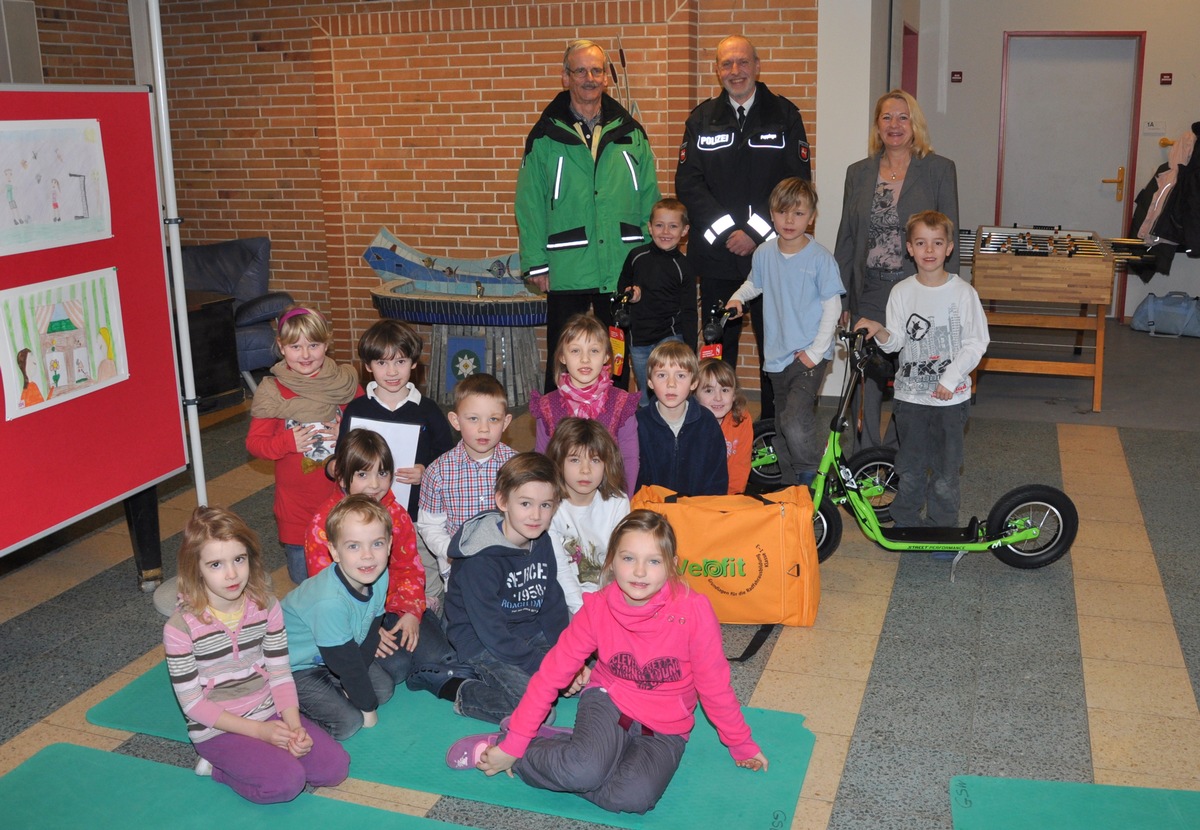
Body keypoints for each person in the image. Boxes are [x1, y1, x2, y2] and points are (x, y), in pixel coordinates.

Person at [454, 510, 767, 815]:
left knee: (634, 798)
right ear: (612, 561)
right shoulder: (598, 609)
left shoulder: (694, 611)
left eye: (653, 561)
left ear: (672, 567)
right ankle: (520, 749)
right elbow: (550, 676)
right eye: (628, 558)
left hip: (664, 726)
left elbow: (714, 687)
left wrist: (741, 744)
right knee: (583, 771)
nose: (640, 572)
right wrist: (513, 747)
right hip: (609, 703)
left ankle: (572, 752)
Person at [163, 506, 348, 803]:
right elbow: (193, 705)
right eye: (215, 565)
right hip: (217, 729)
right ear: (195, 568)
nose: (232, 574)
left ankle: (267, 752)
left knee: (334, 770)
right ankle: (217, 768)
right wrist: (260, 732)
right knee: (287, 784)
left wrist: (293, 725)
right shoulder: (180, 628)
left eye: (239, 559)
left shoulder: (266, 606)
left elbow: (279, 672)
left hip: (268, 712)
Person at [676, 35, 812, 421]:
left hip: (772, 257)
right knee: (718, 348)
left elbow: (796, 184)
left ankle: (770, 430)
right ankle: (715, 426)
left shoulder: (784, 115)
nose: (735, 71)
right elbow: (688, 183)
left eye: (742, 63)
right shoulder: (701, 119)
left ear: (757, 65)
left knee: (775, 347)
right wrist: (727, 232)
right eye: (726, 64)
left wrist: (753, 232)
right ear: (717, 70)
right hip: (717, 259)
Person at [515, 39, 661, 393]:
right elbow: (530, 202)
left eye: (596, 70)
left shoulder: (631, 133)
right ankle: (559, 431)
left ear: (606, 79)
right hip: (568, 265)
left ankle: (611, 427)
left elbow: (650, 198)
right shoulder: (546, 136)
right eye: (580, 70)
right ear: (565, 78)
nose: (589, 78)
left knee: (615, 352)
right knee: (564, 354)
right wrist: (536, 262)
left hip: (620, 261)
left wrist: (647, 258)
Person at [834, 89, 959, 453]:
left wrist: (950, 296)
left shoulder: (939, 170)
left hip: (918, 288)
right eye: (887, 117)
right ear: (877, 125)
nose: (895, 125)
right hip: (870, 288)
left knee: (913, 372)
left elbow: (948, 234)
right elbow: (847, 237)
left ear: (915, 124)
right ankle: (866, 454)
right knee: (866, 374)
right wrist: (842, 295)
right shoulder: (857, 173)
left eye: (903, 117)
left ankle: (897, 451)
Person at [854, 211, 989, 536]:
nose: (929, 250)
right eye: (921, 243)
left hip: (950, 401)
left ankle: (941, 530)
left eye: (937, 243)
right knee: (910, 468)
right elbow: (896, 341)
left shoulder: (963, 293)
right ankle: (906, 525)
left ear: (949, 248)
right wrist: (880, 331)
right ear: (909, 249)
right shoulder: (901, 292)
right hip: (910, 398)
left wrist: (949, 379)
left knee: (944, 472)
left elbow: (977, 342)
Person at [304, 429, 462, 687]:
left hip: (394, 605)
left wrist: (411, 611)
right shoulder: (323, 523)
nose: (375, 484)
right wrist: (366, 629)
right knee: (397, 668)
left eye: (382, 473)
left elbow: (409, 567)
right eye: (363, 474)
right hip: (352, 614)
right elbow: (325, 591)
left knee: (441, 656)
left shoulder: (395, 514)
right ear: (342, 477)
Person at [428, 453, 574, 724]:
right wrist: (545, 667)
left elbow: (552, 601)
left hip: (526, 630)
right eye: (525, 504)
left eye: (545, 505)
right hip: (482, 642)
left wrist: (566, 656)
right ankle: (458, 688)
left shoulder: (540, 540)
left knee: (585, 674)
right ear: (502, 501)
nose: (536, 515)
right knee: (542, 714)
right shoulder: (480, 559)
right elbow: (492, 634)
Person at [726, 177, 843, 487]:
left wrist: (816, 352)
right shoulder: (763, 253)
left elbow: (832, 307)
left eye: (799, 213)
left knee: (794, 419)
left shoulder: (821, 259)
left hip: (809, 356)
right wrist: (738, 297)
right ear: (772, 214)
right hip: (777, 356)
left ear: (812, 217)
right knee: (782, 425)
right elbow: (756, 283)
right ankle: (791, 486)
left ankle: (812, 476)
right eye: (782, 212)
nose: (790, 220)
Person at [339, 318, 455, 614]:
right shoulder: (357, 409)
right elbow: (344, 458)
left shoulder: (427, 411)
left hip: (414, 514)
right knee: (368, 571)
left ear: (414, 363)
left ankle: (431, 624)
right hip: (365, 515)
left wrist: (426, 471)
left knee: (425, 575)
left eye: (400, 361)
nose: (392, 372)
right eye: (382, 362)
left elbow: (449, 457)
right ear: (368, 366)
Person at [246, 306, 361, 585]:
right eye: (295, 346)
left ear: (327, 344)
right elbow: (255, 444)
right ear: (281, 348)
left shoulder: (344, 383)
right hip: (296, 509)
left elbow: (370, 434)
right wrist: (287, 441)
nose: (306, 354)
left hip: (342, 499)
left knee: (350, 575)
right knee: (304, 578)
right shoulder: (273, 391)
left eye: (314, 345)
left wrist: (347, 432)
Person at [282, 495, 395, 741]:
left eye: (376, 543)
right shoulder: (329, 602)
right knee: (349, 723)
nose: (367, 556)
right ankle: (282, 712)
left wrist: (357, 689)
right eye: (353, 546)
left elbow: (369, 632)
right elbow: (347, 665)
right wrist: (367, 708)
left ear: (389, 545)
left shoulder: (380, 573)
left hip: (331, 656)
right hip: (293, 668)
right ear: (334, 551)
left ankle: (331, 691)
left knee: (384, 690)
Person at [416, 373, 517, 591]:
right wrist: (452, 551)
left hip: (509, 569)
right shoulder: (438, 471)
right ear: (455, 421)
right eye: (473, 419)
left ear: (506, 422)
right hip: (459, 572)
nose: (484, 428)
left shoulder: (518, 467)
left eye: (493, 419)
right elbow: (429, 525)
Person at [530, 313, 640, 494]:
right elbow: (543, 458)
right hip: (563, 500)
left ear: (606, 356)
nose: (585, 359)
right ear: (562, 357)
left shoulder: (621, 402)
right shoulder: (547, 405)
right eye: (575, 351)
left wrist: (624, 503)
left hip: (609, 499)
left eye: (594, 351)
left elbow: (629, 458)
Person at [615, 197, 699, 404]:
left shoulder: (685, 267)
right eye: (659, 225)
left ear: (684, 231)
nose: (665, 232)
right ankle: (645, 433)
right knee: (646, 394)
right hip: (640, 339)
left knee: (671, 391)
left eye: (673, 226)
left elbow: (689, 310)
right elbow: (621, 290)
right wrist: (629, 295)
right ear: (650, 228)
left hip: (670, 338)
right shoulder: (636, 256)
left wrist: (690, 348)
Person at [545, 418, 631, 613]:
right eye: (575, 460)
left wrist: (606, 607)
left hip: (610, 595)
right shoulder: (548, 507)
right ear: (559, 463)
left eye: (595, 460)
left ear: (607, 464)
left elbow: (622, 560)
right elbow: (560, 569)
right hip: (565, 597)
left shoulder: (617, 503)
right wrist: (582, 611)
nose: (585, 470)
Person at [635, 340, 728, 496]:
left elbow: (717, 479)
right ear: (650, 382)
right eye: (662, 375)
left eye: (681, 375)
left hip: (695, 512)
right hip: (652, 514)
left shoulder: (707, 424)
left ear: (694, 383)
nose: (671, 384)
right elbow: (633, 480)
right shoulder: (639, 425)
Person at [696, 357, 753, 495]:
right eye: (709, 391)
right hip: (694, 495)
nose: (718, 398)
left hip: (727, 496)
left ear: (734, 395)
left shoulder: (742, 420)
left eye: (725, 390)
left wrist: (729, 501)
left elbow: (740, 466)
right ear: (694, 394)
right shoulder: (690, 423)